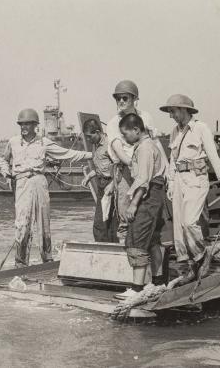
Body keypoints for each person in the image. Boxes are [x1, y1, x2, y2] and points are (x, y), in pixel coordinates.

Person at [160, 94, 220, 283]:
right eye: (169, 111)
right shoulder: (174, 132)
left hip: (196, 179)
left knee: (189, 222)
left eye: (173, 111)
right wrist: (171, 183)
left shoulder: (201, 128)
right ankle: (189, 268)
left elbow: (214, 158)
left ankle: (201, 256)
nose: (171, 115)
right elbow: (172, 160)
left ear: (184, 110)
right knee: (179, 229)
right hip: (178, 180)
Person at [0, 108, 92, 267]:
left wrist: (90, 155)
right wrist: (7, 174)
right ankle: (20, 262)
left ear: (35, 125)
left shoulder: (44, 142)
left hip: (39, 181)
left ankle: (47, 259)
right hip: (22, 182)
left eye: (28, 123)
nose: (24, 127)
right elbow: (3, 159)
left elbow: (66, 154)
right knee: (22, 223)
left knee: (43, 223)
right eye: (22, 124)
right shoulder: (13, 142)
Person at [106, 80, 168, 240]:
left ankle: (148, 256)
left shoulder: (146, 117)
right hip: (127, 170)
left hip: (149, 169)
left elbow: (155, 143)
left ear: (134, 99)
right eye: (117, 98)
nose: (120, 101)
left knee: (150, 213)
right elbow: (118, 149)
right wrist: (134, 165)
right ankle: (126, 254)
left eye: (124, 98)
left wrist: (167, 169)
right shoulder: (113, 123)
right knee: (125, 214)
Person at [114, 113, 166, 299]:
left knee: (136, 240)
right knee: (152, 241)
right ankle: (158, 283)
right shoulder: (150, 145)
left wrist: (133, 205)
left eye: (126, 134)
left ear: (136, 130)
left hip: (147, 197)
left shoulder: (144, 148)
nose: (124, 138)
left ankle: (137, 289)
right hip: (157, 197)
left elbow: (143, 180)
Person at [81, 118, 118, 242]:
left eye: (89, 136)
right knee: (103, 222)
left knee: (105, 223)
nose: (88, 139)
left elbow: (120, 167)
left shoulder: (110, 144)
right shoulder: (95, 145)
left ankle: (107, 248)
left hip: (111, 185)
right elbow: (100, 167)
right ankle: (105, 248)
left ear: (97, 132)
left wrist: (112, 185)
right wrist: (88, 176)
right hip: (102, 185)